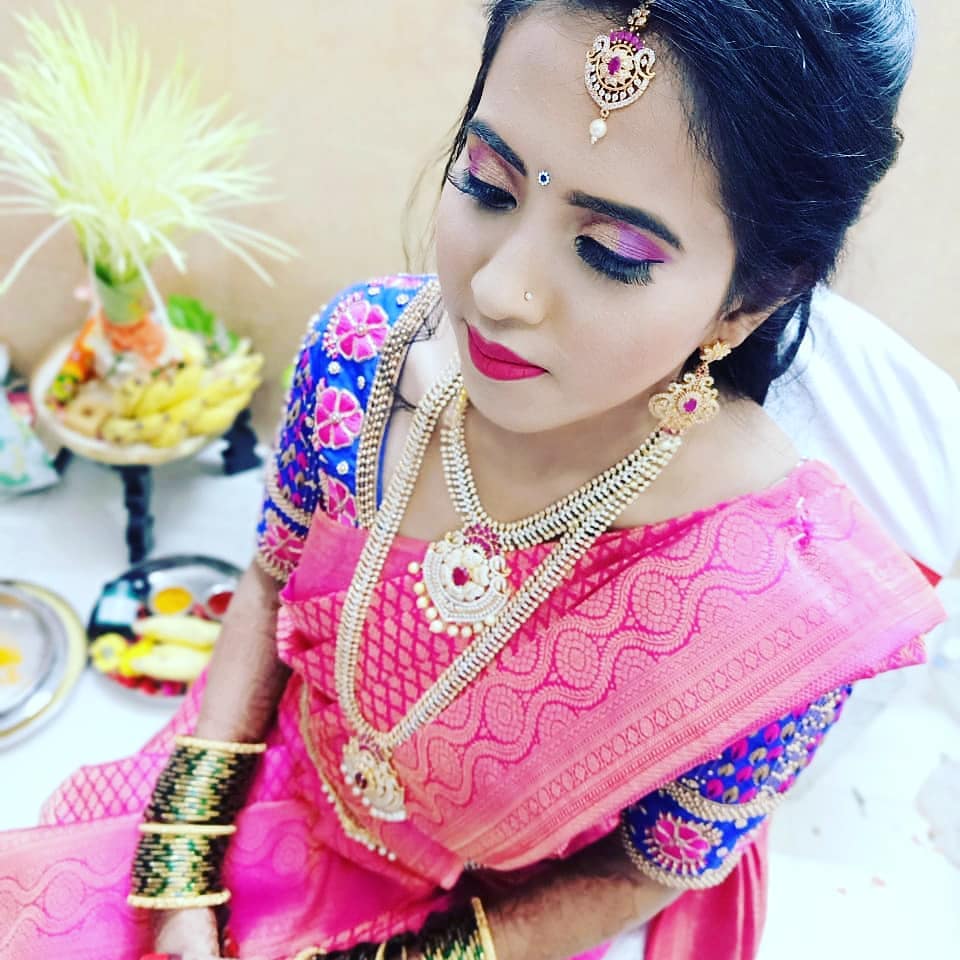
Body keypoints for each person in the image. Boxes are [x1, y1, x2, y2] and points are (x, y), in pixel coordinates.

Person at [0, 3, 948, 959]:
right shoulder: (362, 358)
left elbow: (647, 869)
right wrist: (179, 876)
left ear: (750, 301)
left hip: (494, 922)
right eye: (488, 183)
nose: (496, 292)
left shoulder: (783, 607)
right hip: (256, 789)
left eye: (611, 253)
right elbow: (268, 578)